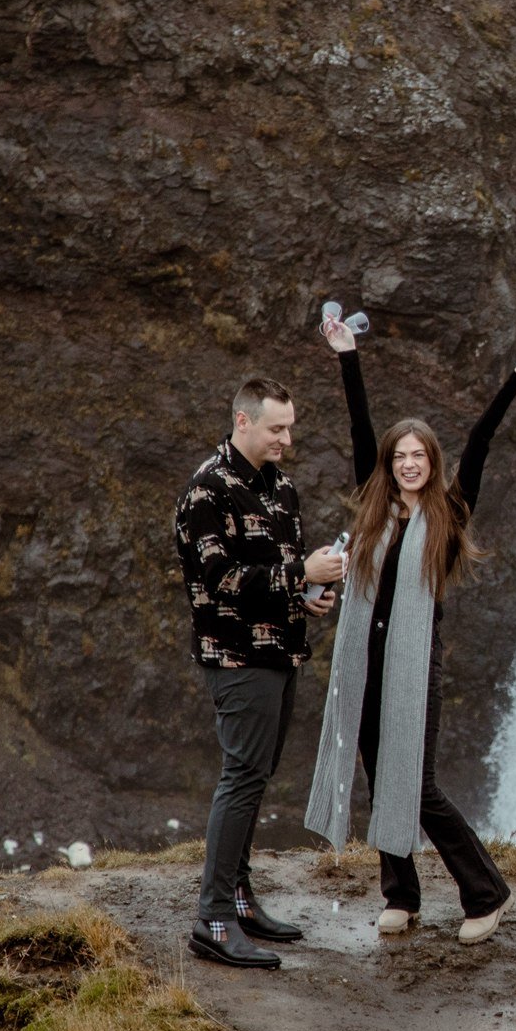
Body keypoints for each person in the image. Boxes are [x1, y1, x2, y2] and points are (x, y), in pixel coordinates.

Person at [303, 316, 516, 943]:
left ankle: (486, 891)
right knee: (377, 774)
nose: (410, 464)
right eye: (401, 456)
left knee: (415, 784)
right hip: (366, 659)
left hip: (418, 663)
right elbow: (358, 427)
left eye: (419, 456)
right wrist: (349, 357)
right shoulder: (375, 505)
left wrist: (515, 378)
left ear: (432, 463)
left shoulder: (450, 512)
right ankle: (402, 894)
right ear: (389, 465)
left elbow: (481, 440)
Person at [174, 376, 345, 970]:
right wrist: (300, 572)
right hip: (237, 659)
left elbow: (276, 578)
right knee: (242, 776)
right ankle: (213, 919)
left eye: (290, 427)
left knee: (257, 774)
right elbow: (221, 582)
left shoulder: (282, 489)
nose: (287, 439)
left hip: (281, 656)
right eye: (277, 428)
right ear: (243, 421)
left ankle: (240, 900)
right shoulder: (207, 491)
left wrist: (309, 595)